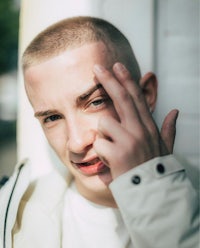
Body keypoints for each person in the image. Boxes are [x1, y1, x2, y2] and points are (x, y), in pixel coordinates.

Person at [0, 16, 199, 248]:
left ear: (146, 95)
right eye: (52, 118)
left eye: (96, 102)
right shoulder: (10, 215)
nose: (76, 143)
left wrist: (153, 189)